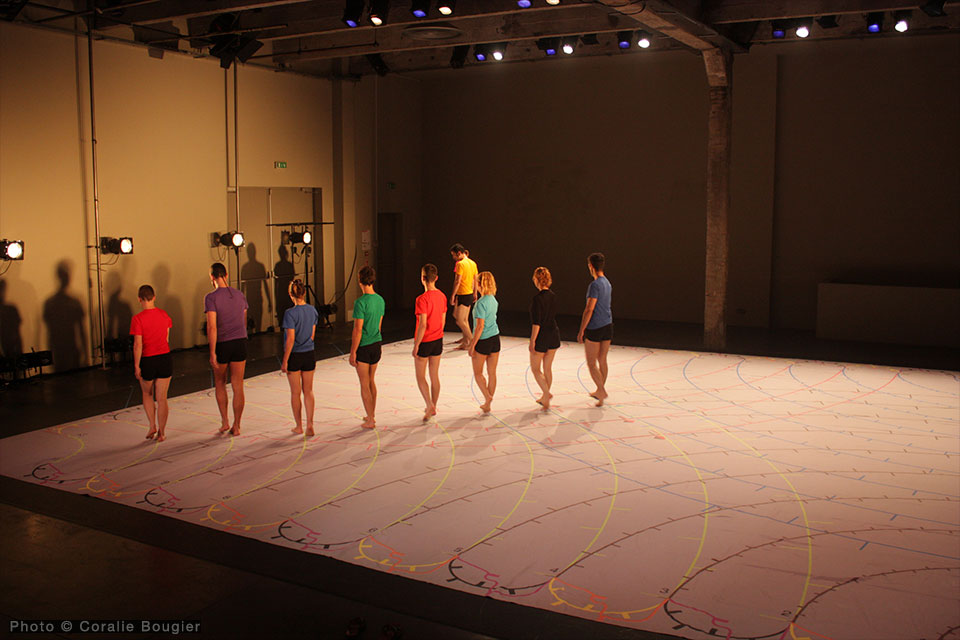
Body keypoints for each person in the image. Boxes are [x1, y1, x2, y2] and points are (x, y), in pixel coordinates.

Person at [205, 262, 249, 435]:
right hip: (240, 342)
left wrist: (212, 352)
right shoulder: (239, 295)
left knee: (220, 383)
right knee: (238, 385)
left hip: (223, 343)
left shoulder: (211, 297)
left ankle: (225, 421)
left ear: (212, 277)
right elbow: (244, 320)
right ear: (226, 275)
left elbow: (212, 327)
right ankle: (237, 425)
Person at [130, 285, 173, 441]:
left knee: (147, 394)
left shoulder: (138, 319)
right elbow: (167, 338)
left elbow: (138, 345)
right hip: (164, 358)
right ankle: (162, 432)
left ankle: (152, 426)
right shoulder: (164, 315)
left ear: (139, 299)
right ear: (154, 297)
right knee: (162, 398)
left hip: (148, 359)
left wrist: (136, 365)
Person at [281, 279, 318, 436]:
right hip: (309, 353)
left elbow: (290, 339)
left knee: (295, 392)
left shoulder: (290, 314)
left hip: (295, 355)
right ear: (304, 293)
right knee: (308, 391)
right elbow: (312, 335)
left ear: (291, 294)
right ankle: (310, 424)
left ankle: (299, 425)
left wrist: (285, 360)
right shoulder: (312, 311)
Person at [350, 266, 385, 429]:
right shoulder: (380, 300)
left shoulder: (360, 303)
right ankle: (372, 414)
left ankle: (370, 419)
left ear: (360, 281)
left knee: (364, 383)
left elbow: (358, 329)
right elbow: (378, 325)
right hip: (376, 343)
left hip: (363, 346)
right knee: (371, 380)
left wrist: (353, 352)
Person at [576, 252, 613, 406]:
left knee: (591, 363)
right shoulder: (607, 283)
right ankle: (600, 390)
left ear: (590, 266)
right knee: (602, 359)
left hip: (595, 326)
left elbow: (589, 309)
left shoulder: (595, 285)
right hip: (608, 324)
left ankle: (601, 390)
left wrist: (581, 330)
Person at [412, 263, 446, 422]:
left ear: (422, 278)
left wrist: (416, 344)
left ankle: (429, 404)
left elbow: (423, 324)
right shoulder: (442, 296)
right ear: (436, 278)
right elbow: (443, 319)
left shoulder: (421, 299)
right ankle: (433, 405)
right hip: (438, 339)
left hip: (425, 340)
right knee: (434, 375)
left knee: (420, 376)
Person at [467, 271, 500, 414]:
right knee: (492, 373)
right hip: (495, 338)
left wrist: (472, 344)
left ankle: (487, 398)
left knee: (478, 373)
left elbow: (480, 326)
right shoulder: (493, 300)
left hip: (483, 340)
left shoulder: (480, 304)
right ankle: (488, 403)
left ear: (479, 284)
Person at [529, 266, 561, 410]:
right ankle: (545, 397)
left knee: (536, 369)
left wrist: (532, 341)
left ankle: (546, 394)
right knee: (547, 368)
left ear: (537, 280)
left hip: (542, 336)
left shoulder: (537, 299)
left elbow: (537, 323)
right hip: (553, 334)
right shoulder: (554, 296)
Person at [448, 243, 478, 350]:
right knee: (461, 317)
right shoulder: (472, 263)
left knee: (460, 320)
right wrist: (475, 293)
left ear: (459, 253)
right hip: (468, 293)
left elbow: (457, 281)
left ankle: (471, 341)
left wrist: (452, 295)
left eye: (454, 255)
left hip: (463, 294)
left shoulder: (460, 264)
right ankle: (466, 340)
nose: (453, 258)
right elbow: (475, 279)